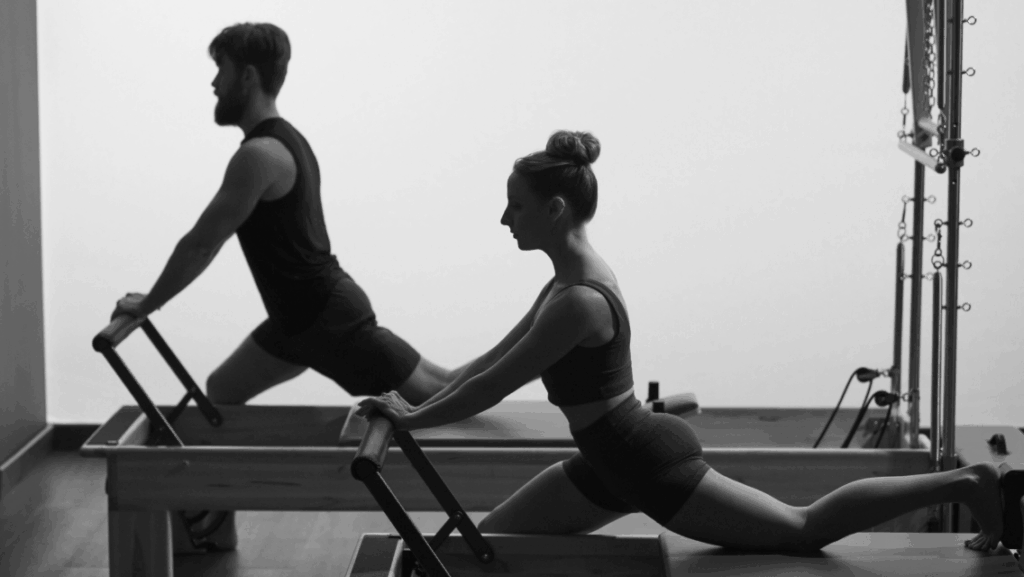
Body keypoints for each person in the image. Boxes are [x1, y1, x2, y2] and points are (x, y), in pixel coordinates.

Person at [356, 129, 1013, 554]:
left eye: (516, 206)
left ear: (554, 210)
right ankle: (968, 483)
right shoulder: (568, 281)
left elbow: (491, 388)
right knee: (489, 546)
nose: (504, 218)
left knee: (802, 528)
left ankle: (967, 481)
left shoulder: (579, 301)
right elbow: (487, 362)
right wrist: (405, 400)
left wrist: (411, 417)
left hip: (644, 463)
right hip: (607, 461)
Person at [109, 22, 462, 551]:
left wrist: (147, 305)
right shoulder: (280, 142)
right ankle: (215, 527)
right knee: (222, 392)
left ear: (247, 76)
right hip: (293, 324)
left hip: (328, 319)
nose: (213, 85)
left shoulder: (260, 155)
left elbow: (201, 244)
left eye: (219, 72)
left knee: (442, 392)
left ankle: (545, 418)